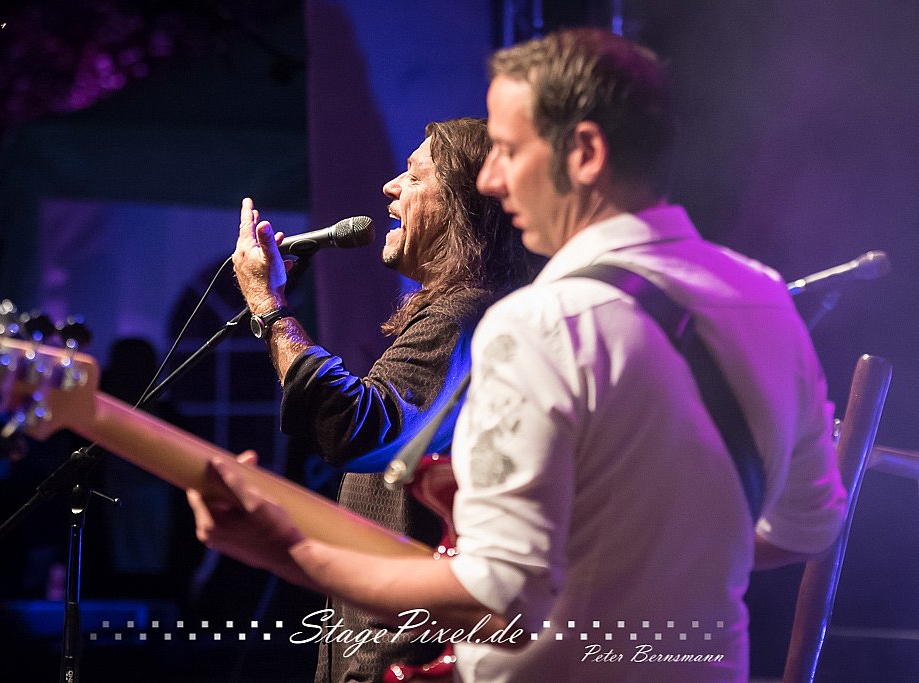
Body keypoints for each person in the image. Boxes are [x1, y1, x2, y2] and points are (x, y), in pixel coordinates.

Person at [189, 28, 846, 683]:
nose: (492, 180)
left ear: (584, 153)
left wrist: (288, 549)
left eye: (507, 150)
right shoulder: (763, 298)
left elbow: (498, 600)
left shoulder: (540, 324)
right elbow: (806, 530)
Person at [230, 117, 538, 682]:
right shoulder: (463, 314)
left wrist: (268, 307)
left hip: (395, 657)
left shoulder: (460, 315)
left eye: (415, 176)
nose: (390, 187)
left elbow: (355, 426)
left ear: (464, 206)